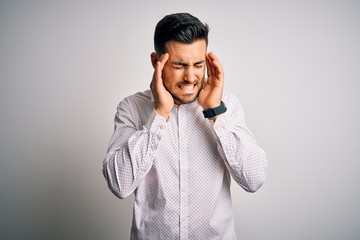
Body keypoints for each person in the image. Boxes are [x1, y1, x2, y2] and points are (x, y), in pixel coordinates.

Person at [102, 12, 268, 240]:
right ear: (156, 62)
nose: (191, 77)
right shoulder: (132, 108)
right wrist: (159, 114)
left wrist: (214, 111)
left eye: (198, 64)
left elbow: (254, 179)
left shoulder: (227, 106)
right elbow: (119, 184)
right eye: (179, 65)